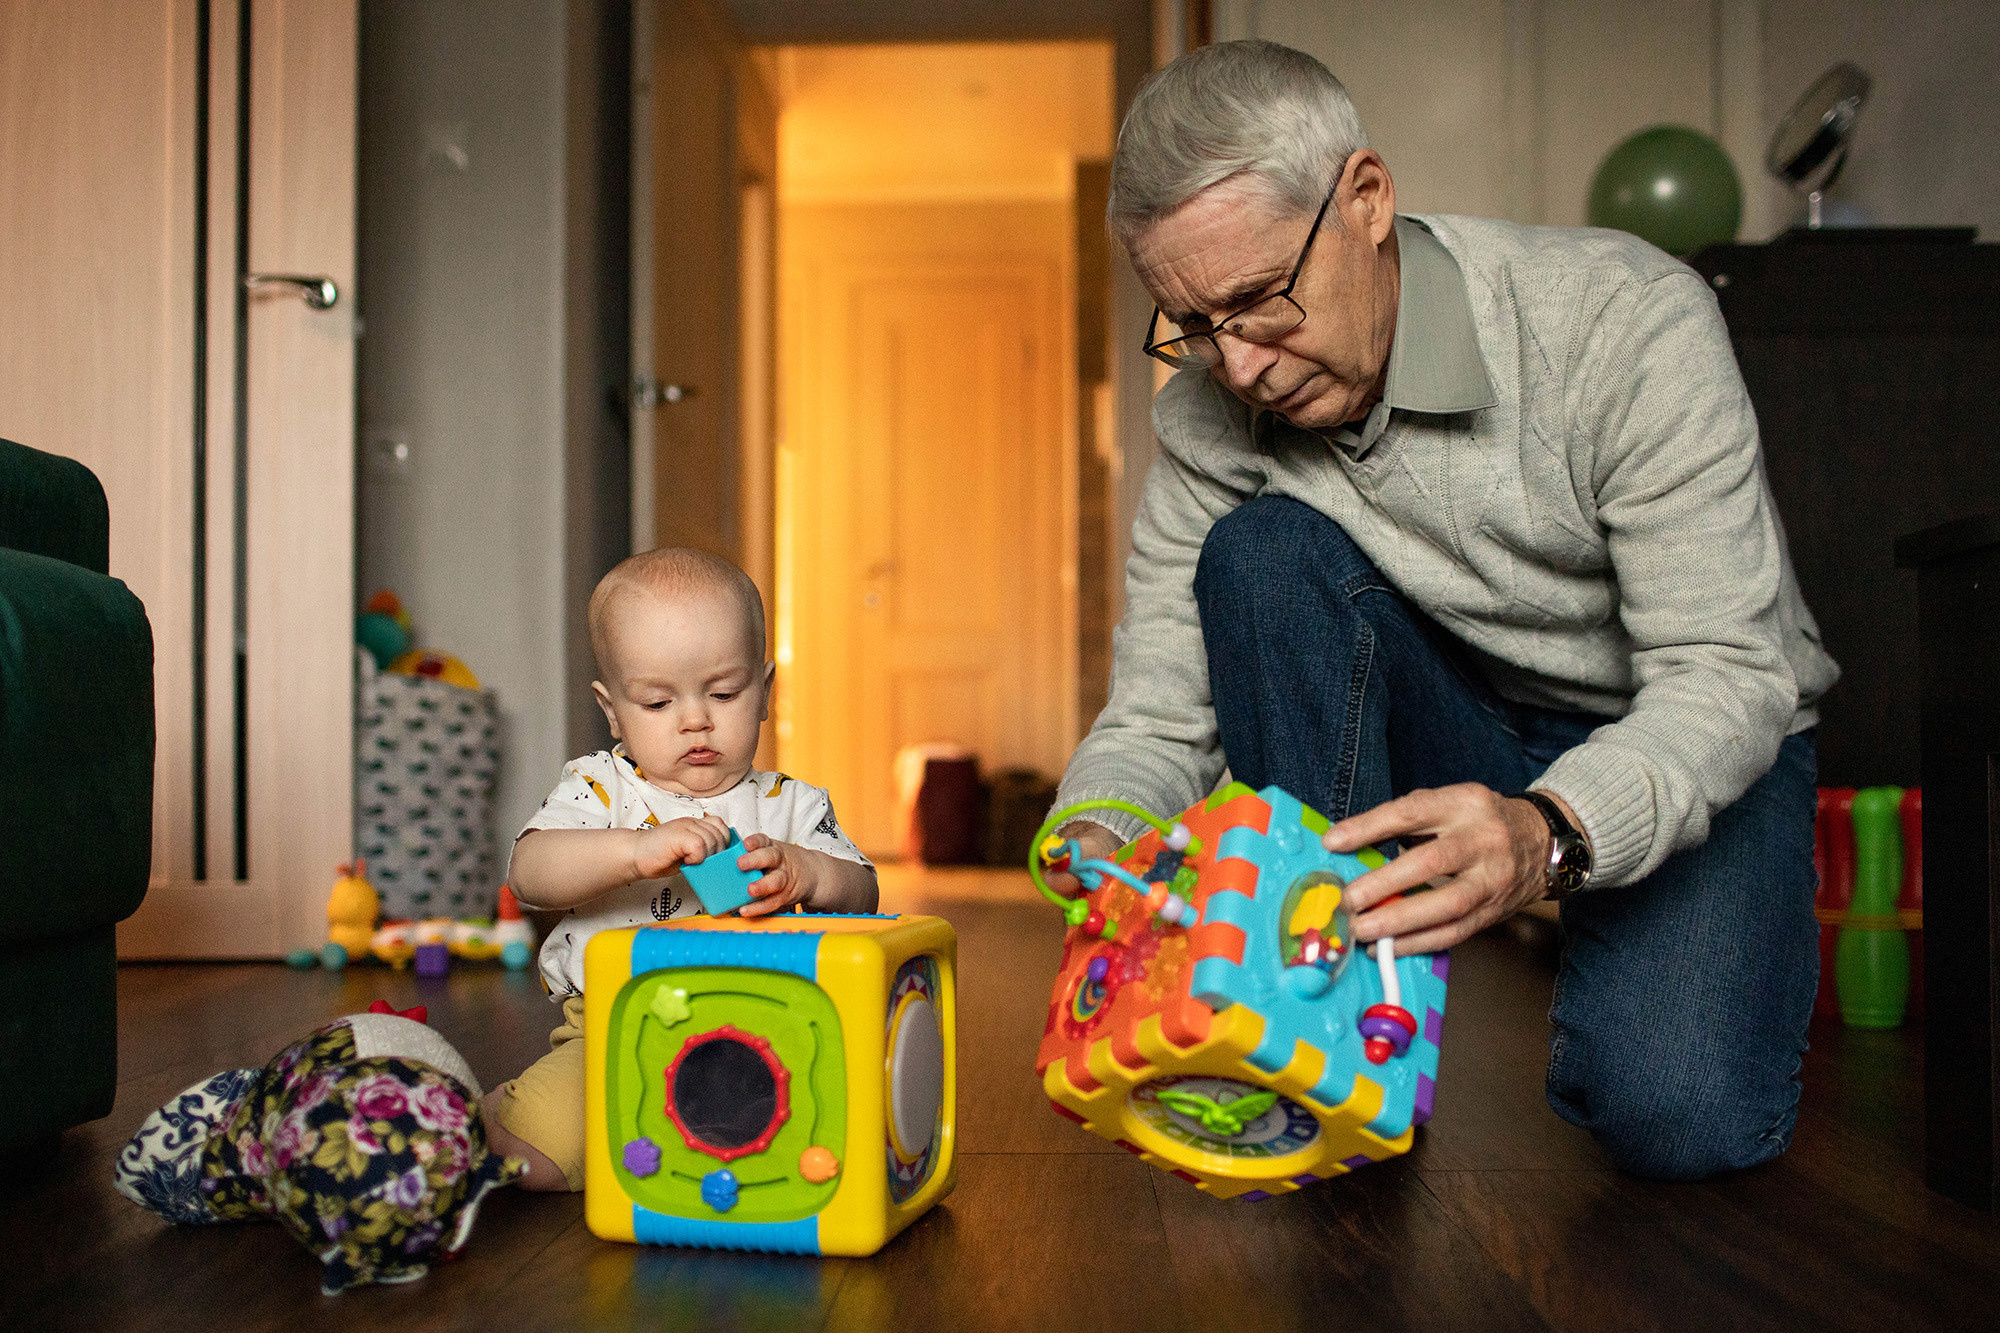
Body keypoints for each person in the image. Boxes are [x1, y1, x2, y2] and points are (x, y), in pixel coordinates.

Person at [1051, 40, 1838, 1180]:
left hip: (1693, 723)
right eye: (1188, 324)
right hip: (1457, 710)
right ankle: (1328, 1036)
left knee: (1680, 1117)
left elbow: (1726, 668)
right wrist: (1099, 834)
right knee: (1259, 557)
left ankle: (1586, 948)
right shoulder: (1211, 419)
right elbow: (1161, 715)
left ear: (1365, 198)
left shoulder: (1624, 322)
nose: (1239, 367)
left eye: (1259, 302)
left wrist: (1545, 835)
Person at [483, 547, 878, 1190]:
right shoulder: (603, 788)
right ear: (614, 711)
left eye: (723, 692)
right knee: (538, 1164)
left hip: (766, 1037)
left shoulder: (789, 805)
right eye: (658, 703)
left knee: (818, 1154)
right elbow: (529, 872)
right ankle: (494, 1113)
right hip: (615, 1031)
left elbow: (864, 891)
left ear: (764, 694)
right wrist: (633, 852)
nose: (696, 719)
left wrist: (808, 874)